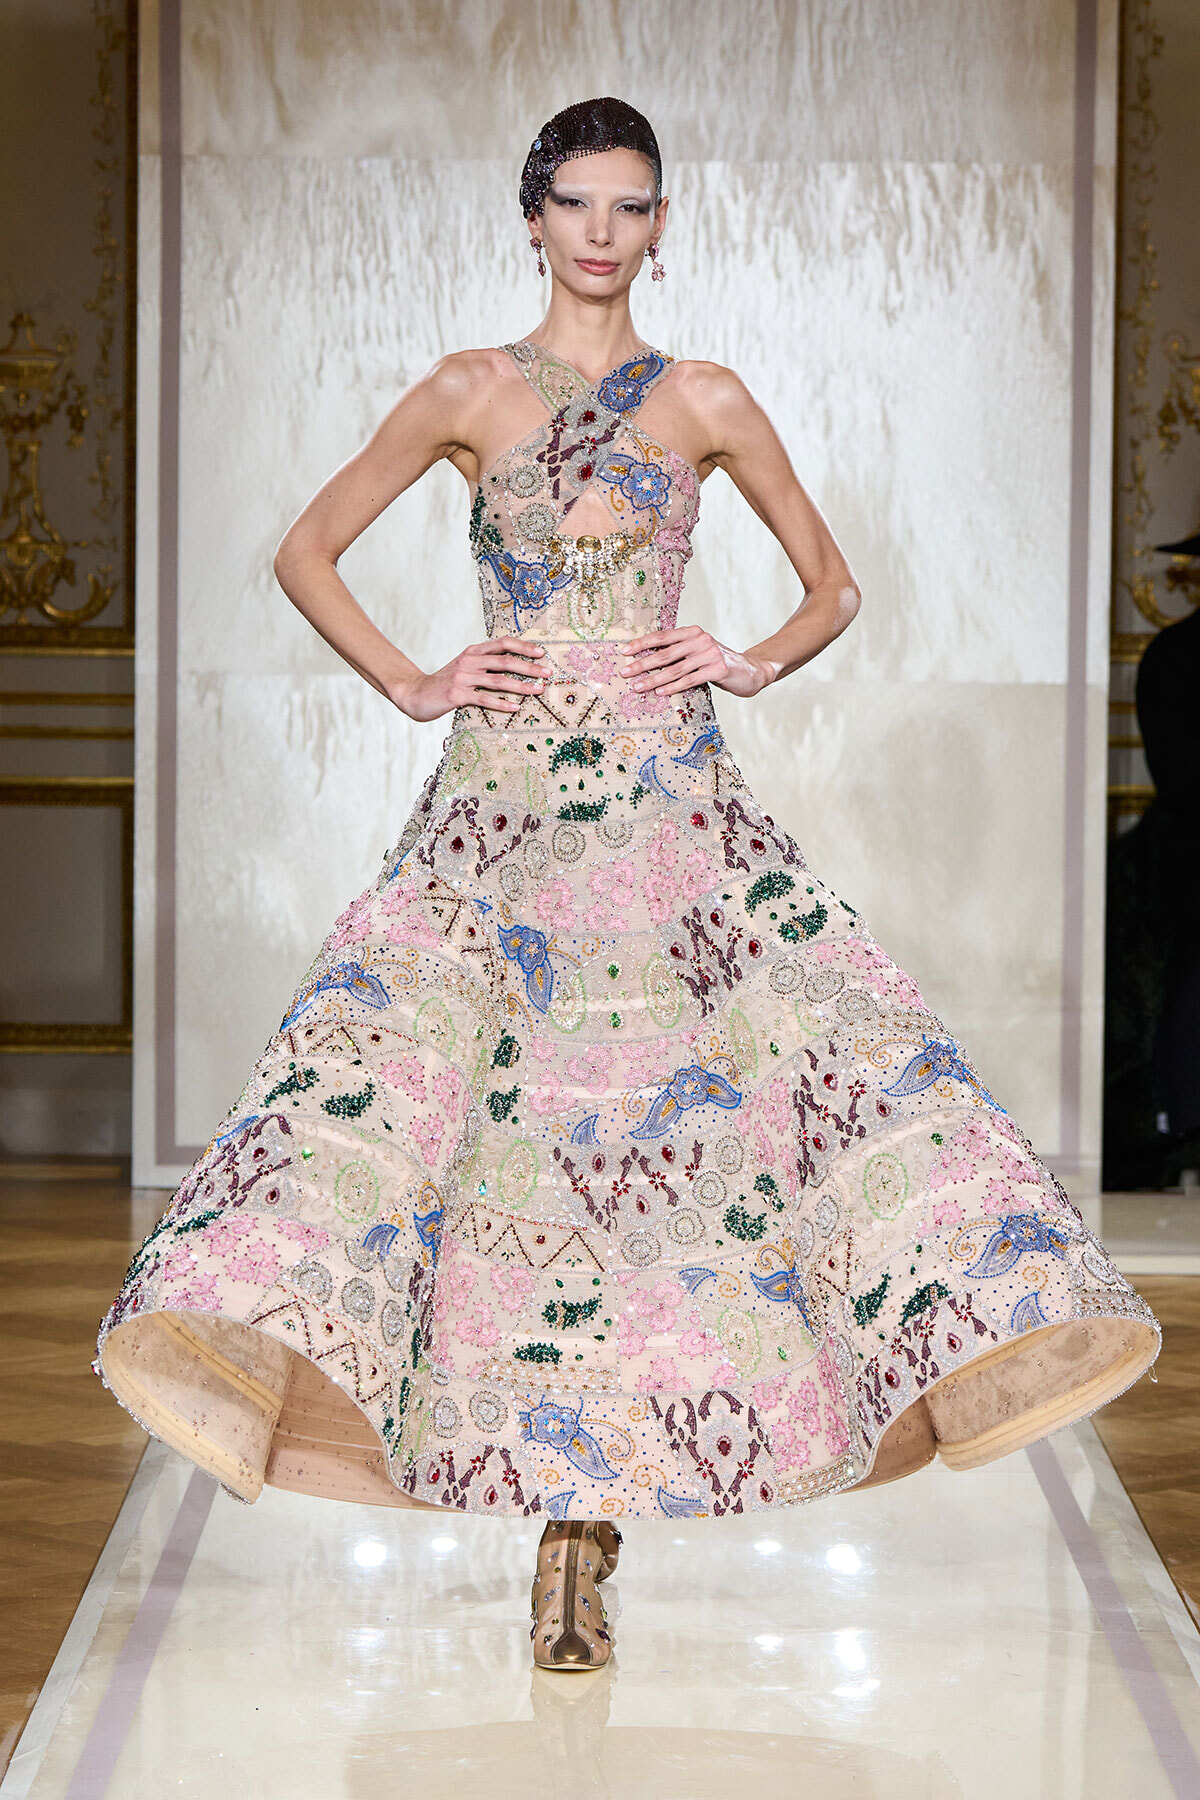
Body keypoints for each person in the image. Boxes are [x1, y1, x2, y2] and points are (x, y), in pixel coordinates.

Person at [97, 97, 1159, 1671]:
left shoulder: (710, 400)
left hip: (672, 810)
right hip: (508, 810)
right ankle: (546, 1529)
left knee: (722, 1134)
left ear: (663, 225)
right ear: (532, 217)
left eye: (631, 206)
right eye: (577, 204)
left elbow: (836, 582)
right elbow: (307, 547)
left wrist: (750, 656)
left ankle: (591, 1539)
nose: (602, 231)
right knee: (475, 1141)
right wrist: (415, 680)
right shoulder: (466, 387)